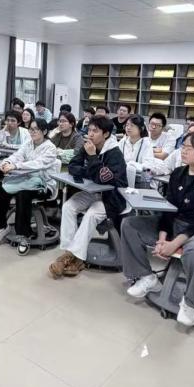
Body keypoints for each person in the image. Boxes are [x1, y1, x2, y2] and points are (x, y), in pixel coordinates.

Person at [121, 130, 194, 328]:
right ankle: (146, 276)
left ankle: (191, 303)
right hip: (177, 224)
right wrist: (162, 238)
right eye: (183, 147)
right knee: (130, 225)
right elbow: (169, 209)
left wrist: (173, 244)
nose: (183, 151)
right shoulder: (178, 174)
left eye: (189, 148)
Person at [49, 115, 128, 279]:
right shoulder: (88, 146)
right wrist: (89, 171)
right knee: (68, 206)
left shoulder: (114, 153)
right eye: (89, 130)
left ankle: (74, 258)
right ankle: (69, 252)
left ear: (106, 134)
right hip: (94, 192)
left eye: (95, 131)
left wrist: (92, 157)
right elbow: (72, 166)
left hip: (113, 197)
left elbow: (103, 179)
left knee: (91, 214)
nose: (90, 134)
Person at [0, 118, 60, 253]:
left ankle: (24, 235)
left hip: (44, 184)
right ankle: (1, 226)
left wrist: (16, 166)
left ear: (44, 131)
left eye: (36, 129)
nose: (32, 132)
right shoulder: (28, 143)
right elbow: (17, 155)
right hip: (27, 179)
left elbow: (38, 164)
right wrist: (7, 162)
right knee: (1, 189)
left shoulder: (50, 147)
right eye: (31, 129)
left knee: (23, 194)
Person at [118, 114, 154, 188]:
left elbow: (148, 167)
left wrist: (131, 165)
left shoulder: (146, 143)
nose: (128, 128)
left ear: (141, 128)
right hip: (123, 178)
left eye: (132, 125)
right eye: (127, 125)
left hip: (140, 180)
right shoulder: (122, 142)